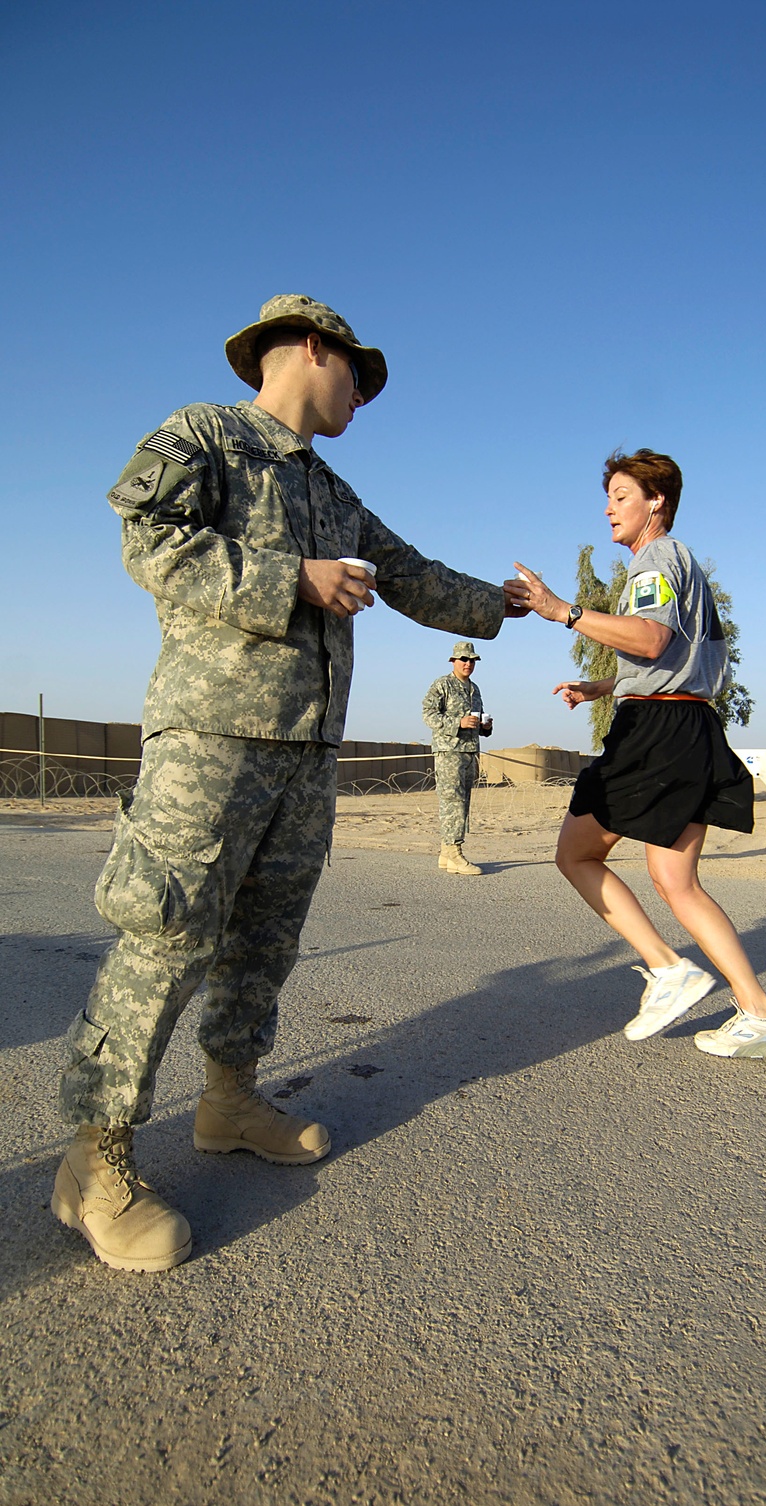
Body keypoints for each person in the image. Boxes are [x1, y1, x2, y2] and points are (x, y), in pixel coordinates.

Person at [52, 294, 523, 1272]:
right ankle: (93, 1162)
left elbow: (410, 574)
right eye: (360, 375)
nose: (364, 396)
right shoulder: (205, 437)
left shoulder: (336, 494)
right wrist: (290, 581)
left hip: (307, 753)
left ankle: (227, 1104)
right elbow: (151, 541)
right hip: (211, 738)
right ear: (315, 349)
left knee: (266, 936)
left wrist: (512, 606)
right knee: (168, 931)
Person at [508, 448, 766, 1061]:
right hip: (686, 721)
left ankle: (669, 969)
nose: (609, 508)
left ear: (656, 501)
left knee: (576, 853)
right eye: (609, 496)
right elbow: (671, 661)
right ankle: (762, 1014)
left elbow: (649, 638)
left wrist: (561, 610)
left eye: (621, 495)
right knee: (676, 881)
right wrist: (606, 685)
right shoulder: (678, 563)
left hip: (658, 731)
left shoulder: (655, 559)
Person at [422, 641, 493, 875]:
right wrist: (457, 723)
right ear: (453, 661)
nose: (468, 664)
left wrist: (485, 726)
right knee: (452, 801)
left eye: (472, 660)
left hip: (469, 751)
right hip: (449, 751)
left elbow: (478, 722)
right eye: (464, 659)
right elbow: (428, 714)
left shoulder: (475, 689)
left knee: (463, 801)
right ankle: (455, 852)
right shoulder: (442, 685)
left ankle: (446, 852)